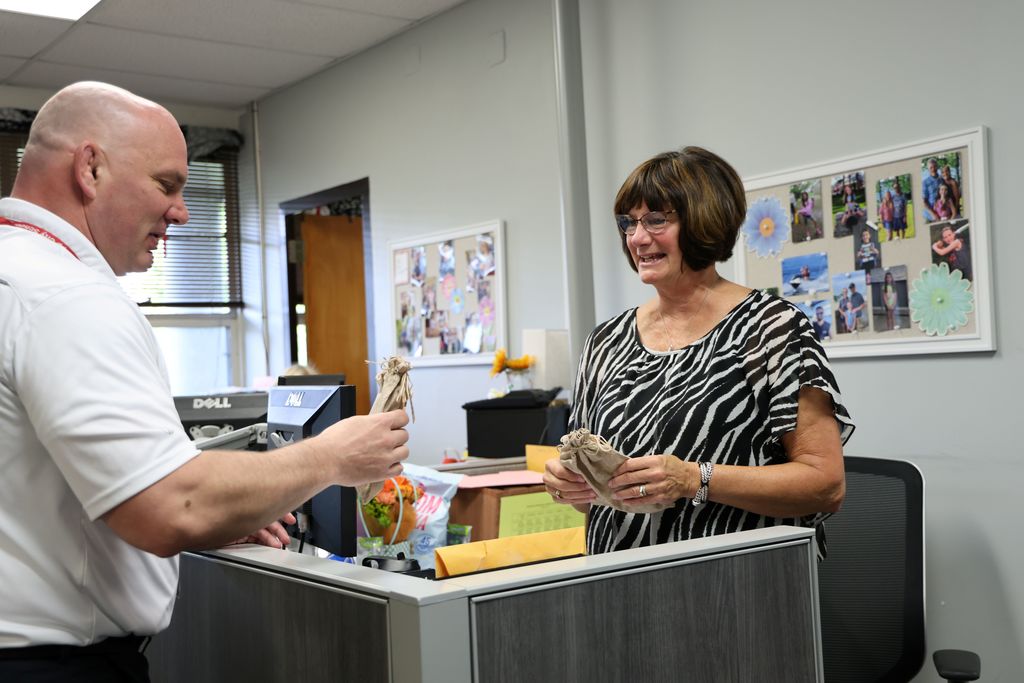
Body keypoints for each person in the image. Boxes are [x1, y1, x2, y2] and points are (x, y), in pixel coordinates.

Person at [0, 82, 410, 680]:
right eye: (167, 184)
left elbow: (48, 488)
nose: (183, 211)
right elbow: (173, 507)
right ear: (90, 168)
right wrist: (331, 457)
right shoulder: (65, 296)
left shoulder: (16, 273)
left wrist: (227, 509)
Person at [542, 147, 854, 559]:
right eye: (628, 223)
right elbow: (592, 493)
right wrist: (570, 484)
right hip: (618, 585)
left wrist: (694, 478)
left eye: (656, 219)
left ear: (704, 222)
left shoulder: (772, 328)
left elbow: (825, 484)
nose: (637, 238)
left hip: (734, 586)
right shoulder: (605, 342)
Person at [922, 157, 942, 222]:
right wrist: (933, 214)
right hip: (930, 216)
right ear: (928, 169)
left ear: (937, 167)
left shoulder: (942, 180)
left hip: (941, 213)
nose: (933, 169)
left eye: (935, 166)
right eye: (931, 167)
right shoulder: (925, 182)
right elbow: (924, 201)